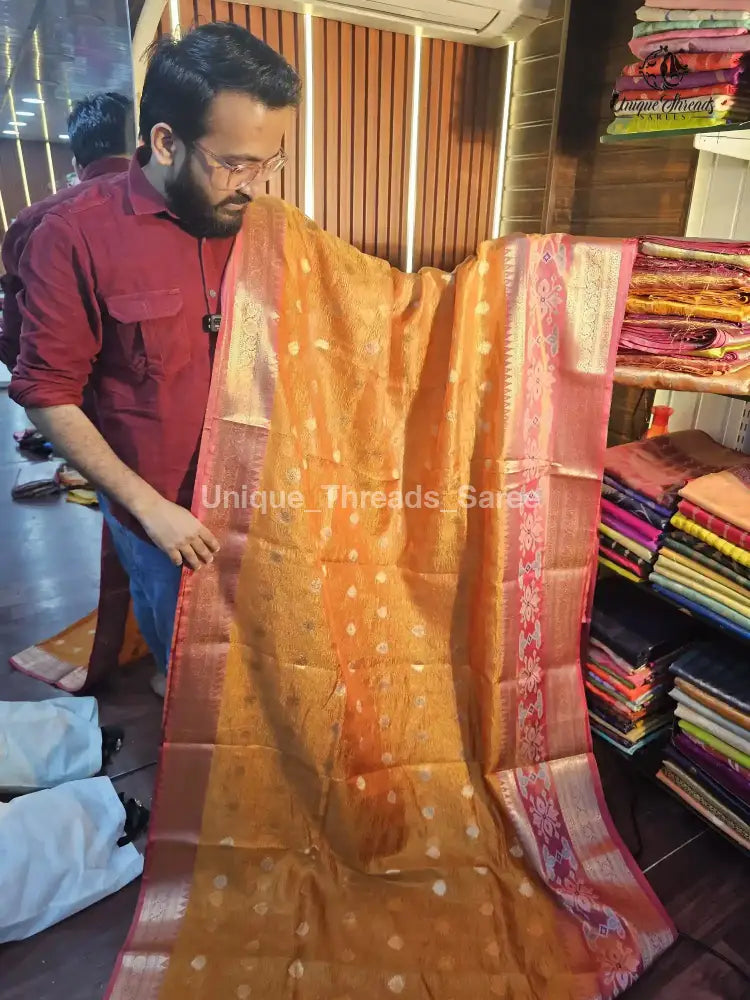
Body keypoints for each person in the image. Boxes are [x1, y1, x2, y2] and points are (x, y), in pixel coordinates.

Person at [9, 23, 302, 697]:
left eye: (269, 163)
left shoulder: (256, 222)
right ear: (166, 141)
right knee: (181, 650)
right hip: (159, 504)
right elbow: (47, 394)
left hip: (256, 488)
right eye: (235, 163)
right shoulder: (73, 235)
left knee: (252, 641)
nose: (255, 186)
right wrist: (147, 508)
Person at [0, 92, 132, 371]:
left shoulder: (31, 222)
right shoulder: (184, 212)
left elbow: (16, 348)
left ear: (76, 165)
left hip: (68, 404)